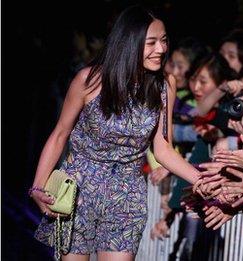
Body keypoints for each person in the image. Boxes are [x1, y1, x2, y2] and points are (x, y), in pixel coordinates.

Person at [30, 5, 205, 260]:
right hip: (79, 189)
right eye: (152, 43)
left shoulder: (165, 85)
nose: (162, 49)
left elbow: (163, 148)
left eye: (164, 41)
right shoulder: (88, 80)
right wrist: (37, 187)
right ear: (129, 43)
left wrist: (200, 179)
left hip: (128, 194)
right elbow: (60, 134)